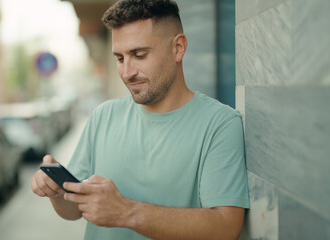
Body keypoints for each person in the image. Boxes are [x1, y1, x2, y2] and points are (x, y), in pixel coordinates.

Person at [31, 0, 250, 239]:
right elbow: (74, 210)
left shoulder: (220, 124)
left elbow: (226, 227)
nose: (127, 72)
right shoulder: (103, 116)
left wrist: (127, 212)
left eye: (139, 55)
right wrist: (56, 192)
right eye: (120, 58)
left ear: (178, 48)